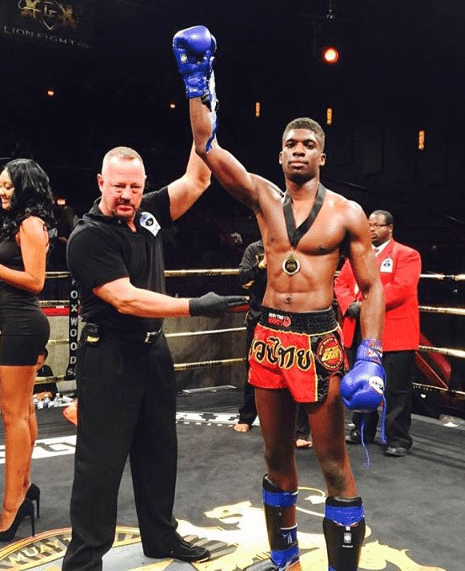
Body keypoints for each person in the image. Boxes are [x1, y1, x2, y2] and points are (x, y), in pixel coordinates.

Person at [173, 26, 385, 571]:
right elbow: (208, 147)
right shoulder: (263, 197)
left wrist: (371, 353)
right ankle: (284, 558)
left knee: (334, 462)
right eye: (290, 143)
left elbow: (371, 286)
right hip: (269, 338)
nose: (298, 150)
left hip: (321, 340)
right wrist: (197, 83)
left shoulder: (347, 215)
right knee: (275, 457)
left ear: (322, 155)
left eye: (308, 144)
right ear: (280, 152)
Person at [62, 145, 245, 571]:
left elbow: (198, 179)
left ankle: (160, 538)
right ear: (100, 183)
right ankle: (84, 560)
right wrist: (195, 306)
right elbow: (125, 299)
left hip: (153, 352)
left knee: (159, 452)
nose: (127, 195)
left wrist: (203, 112)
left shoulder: (148, 212)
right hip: (109, 354)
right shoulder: (89, 236)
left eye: (135, 186)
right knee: (100, 466)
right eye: (118, 186)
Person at [335, 210, 421, 456]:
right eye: (368, 225)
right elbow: (340, 283)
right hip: (360, 330)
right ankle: (362, 430)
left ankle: (398, 438)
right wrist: (347, 304)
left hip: (394, 333)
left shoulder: (406, 254)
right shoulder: (356, 256)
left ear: (390, 228)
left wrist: (362, 305)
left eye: (376, 225)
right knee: (362, 383)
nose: (371, 229)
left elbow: (402, 288)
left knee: (396, 388)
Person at [0, 158, 55, 540]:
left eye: (7, 186)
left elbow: (36, 281)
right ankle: (24, 486)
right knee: (22, 409)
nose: (1, 191)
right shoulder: (16, 223)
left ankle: (11, 507)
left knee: (12, 414)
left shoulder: (31, 225)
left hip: (20, 323)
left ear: (24, 186)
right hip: (12, 323)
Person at [234, 239, 312, 449]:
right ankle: (247, 416)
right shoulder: (256, 249)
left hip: (293, 319)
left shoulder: (298, 249)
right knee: (254, 369)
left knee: (297, 371)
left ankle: (301, 430)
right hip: (260, 319)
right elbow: (242, 279)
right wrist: (263, 265)